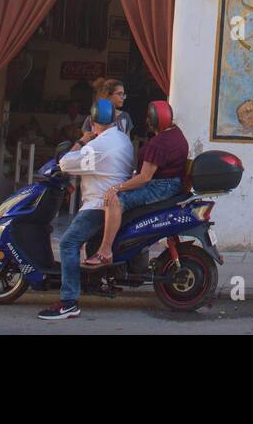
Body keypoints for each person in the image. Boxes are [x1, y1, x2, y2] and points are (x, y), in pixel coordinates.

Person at [38, 98, 134, 321]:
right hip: (111, 202)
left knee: (68, 243)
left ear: (91, 121)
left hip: (99, 205)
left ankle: (68, 302)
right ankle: (92, 283)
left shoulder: (97, 145)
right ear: (113, 119)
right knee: (85, 242)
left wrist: (82, 141)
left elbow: (66, 163)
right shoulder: (121, 138)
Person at [83, 100, 188, 268]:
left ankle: (105, 251)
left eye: (149, 118)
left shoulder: (160, 143)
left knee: (114, 200)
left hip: (160, 187)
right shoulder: (175, 133)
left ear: (155, 121)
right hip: (171, 183)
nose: (146, 121)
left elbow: (145, 177)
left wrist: (116, 188)